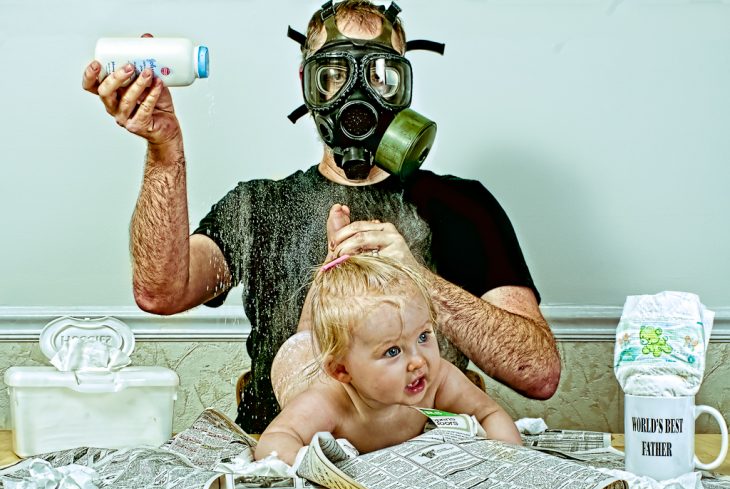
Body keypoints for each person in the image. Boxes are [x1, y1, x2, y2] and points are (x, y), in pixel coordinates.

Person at [81, 0, 561, 434]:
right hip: (291, 461)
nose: (357, 93)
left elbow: (539, 373)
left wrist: (419, 279)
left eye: (379, 74)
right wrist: (165, 152)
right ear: (308, 85)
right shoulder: (259, 207)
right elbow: (160, 292)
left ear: (403, 85)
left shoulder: (462, 208)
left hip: (422, 458)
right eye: (333, 73)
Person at [255, 253, 522, 465]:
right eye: (393, 351)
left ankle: (338, 256)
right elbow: (274, 442)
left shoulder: (437, 378)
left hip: (336, 356)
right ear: (341, 371)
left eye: (424, 336)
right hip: (298, 362)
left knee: (333, 335)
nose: (418, 361)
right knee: (308, 334)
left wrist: (507, 460)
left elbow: (490, 414)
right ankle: (332, 256)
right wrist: (308, 464)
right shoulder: (326, 401)